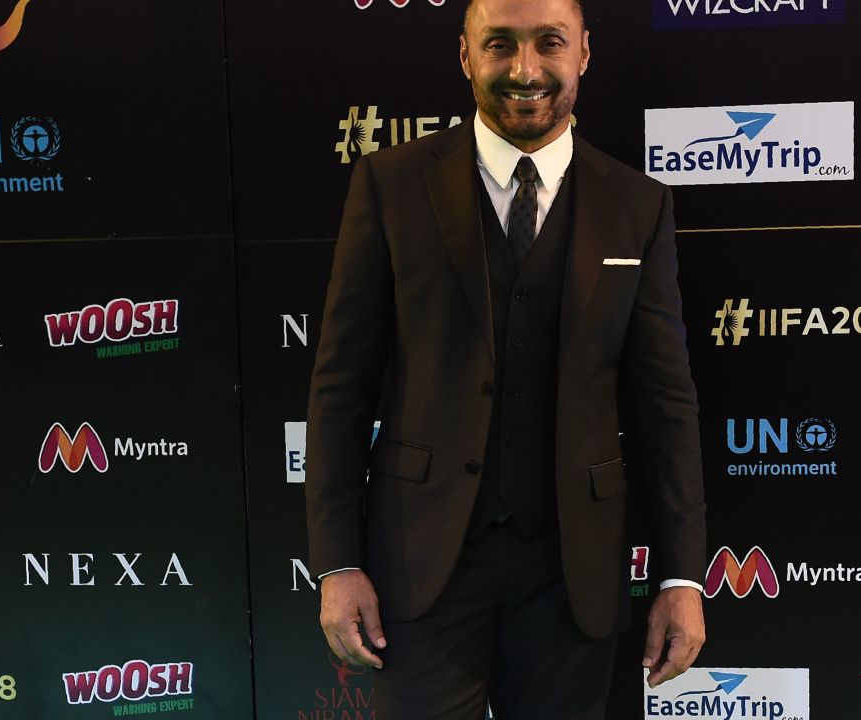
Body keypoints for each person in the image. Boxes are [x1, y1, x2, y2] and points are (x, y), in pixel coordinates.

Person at [305, 0, 707, 716]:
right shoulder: (390, 186)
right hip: (421, 562)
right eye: (500, 45)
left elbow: (665, 406)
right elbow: (340, 387)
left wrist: (682, 577)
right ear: (467, 57)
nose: (525, 70)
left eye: (548, 43)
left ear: (583, 53)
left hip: (573, 571)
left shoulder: (637, 206)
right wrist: (337, 561)